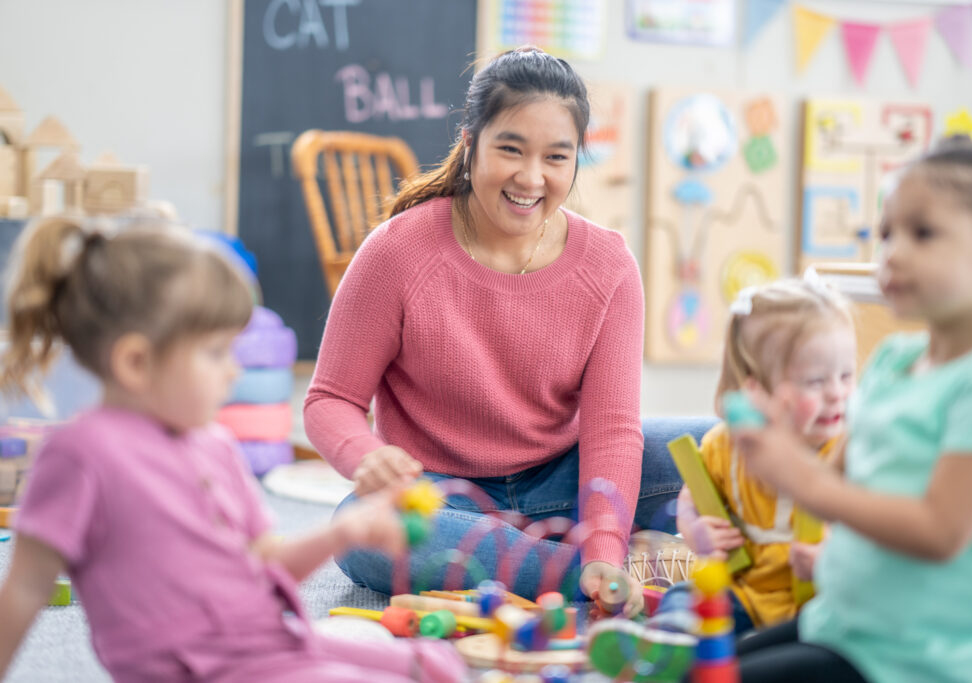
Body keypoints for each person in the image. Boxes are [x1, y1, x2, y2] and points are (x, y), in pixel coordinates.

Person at [303, 46, 714, 611]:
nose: (531, 177)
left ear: (575, 162)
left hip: (566, 481)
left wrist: (602, 536)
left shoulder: (609, 264)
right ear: (470, 144)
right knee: (361, 532)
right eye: (511, 149)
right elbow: (330, 399)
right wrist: (361, 454)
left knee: (729, 444)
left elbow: (613, 429)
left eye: (556, 157)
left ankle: (590, 562)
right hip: (442, 500)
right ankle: (610, 575)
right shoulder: (397, 252)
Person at [0, 216, 465, 683]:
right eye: (216, 353)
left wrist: (343, 533)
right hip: (207, 670)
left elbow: (267, 568)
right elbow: (24, 587)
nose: (233, 373)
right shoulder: (81, 454)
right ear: (136, 362)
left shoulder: (215, 446)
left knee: (433, 663)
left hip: (272, 641)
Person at [726, 117, 972, 682]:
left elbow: (941, 532)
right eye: (886, 234)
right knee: (698, 667)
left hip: (922, 660)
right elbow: (836, 487)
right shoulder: (893, 361)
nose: (893, 253)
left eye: (923, 234)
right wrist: (783, 446)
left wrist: (809, 480)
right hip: (847, 623)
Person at [659, 277, 855, 637]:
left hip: (817, 604)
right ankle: (663, 649)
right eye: (815, 381)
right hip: (743, 593)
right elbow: (689, 501)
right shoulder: (728, 447)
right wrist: (696, 530)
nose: (837, 393)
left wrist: (835, 562)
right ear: (755, 387)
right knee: (681, 598)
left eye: (846, 376)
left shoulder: (853, 450)